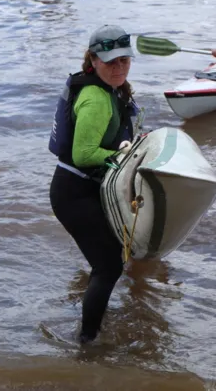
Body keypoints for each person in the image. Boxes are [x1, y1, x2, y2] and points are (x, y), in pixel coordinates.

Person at [48, 24, 140, 344]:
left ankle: (90, 309)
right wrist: (120, 151)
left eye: (124, 61)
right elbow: (84, 153)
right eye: (111, 62)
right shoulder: (95, 99)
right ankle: (87, 340)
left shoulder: (109, 89)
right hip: (73, 193)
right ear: (93, 61)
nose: (118, 68)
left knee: (107, 258)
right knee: (109, 264)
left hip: (85, 188)